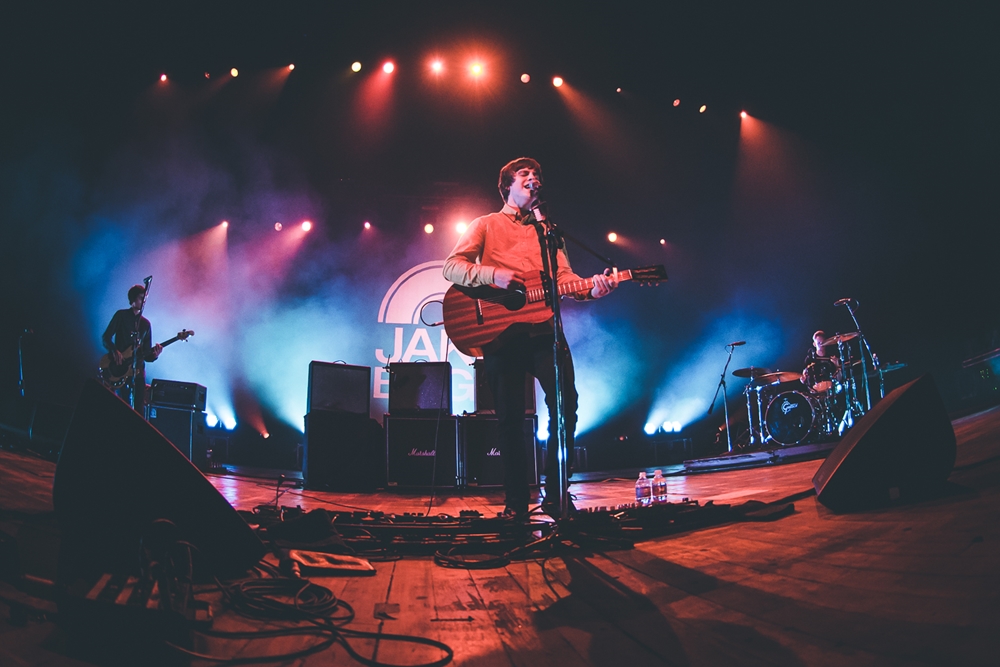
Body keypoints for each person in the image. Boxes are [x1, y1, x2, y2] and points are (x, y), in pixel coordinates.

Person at [442, 157, 617, 518]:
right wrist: (493, 274)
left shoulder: (548, 231)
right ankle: (516, 504)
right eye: (525, 174)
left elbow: (565, 278)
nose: (533, 178)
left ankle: (556, 494)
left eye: (537, 174)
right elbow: (451, 266)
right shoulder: (486, 224)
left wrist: (593, 290)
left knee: (566, 407)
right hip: (500, 335)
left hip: (545, 331)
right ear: (507, 185)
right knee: (509, 419)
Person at [102, 284, 162, 411]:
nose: (143, 301)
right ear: (133, 299)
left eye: (144, 298)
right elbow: (106, 337)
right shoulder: (121, 315)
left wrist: (155, 355)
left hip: (138, 372)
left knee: (139, 407)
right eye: (140, 298)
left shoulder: (146, 324)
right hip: (120, 368)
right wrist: (114, 351)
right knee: (121, 406)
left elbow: (146, 354)